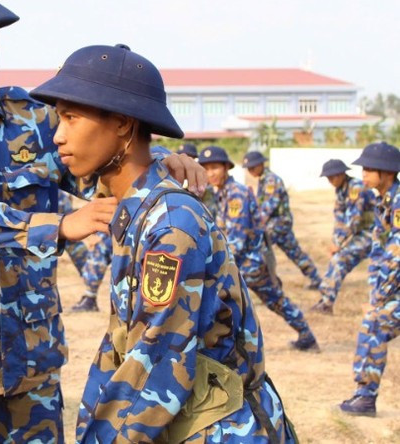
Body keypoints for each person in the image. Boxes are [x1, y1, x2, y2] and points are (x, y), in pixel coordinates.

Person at [0, 2, 206, 441]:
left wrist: (158, 158)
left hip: (31, 362)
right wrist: (56, 227)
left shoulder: (31, 117)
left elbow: (97, 155)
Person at [30, 44, 295, 443]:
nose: (58, 136)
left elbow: (157, 365)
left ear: (123, 124)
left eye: (71, 117)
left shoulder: (169, 225)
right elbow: (125, 347)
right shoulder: (137, 208)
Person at [199, 146, 319, 351]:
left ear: (226, 168)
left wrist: (211, 263)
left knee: (264, 301)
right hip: (244, 262)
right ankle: (306, 335)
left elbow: (236, 241)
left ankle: (304, 336)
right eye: (206, 169)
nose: (211, 173)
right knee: (273, 301)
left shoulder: (236, 194)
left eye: (215, 167)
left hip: (249, 264)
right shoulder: (222, 193)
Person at [339, 142, 400, 417]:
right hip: (391, 289)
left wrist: (379, 300)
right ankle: (364, 395)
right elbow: (379, 254)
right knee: (372, 324)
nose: (363, 173)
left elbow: (396, 257)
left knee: (374, 324)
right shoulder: (384, 201)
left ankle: (365, 397)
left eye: (369, 169)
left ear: (387, 172)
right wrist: (376, 295)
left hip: (393, 288)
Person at [243, 151, 323, 289]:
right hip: (278, 223)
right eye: (248, 168)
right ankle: (315, 279)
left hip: (277, 223)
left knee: (258, 248)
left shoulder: (271, 180)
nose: (250, 171)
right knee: (295, 252)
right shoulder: (264, 179)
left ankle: (270, 280)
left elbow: (268, 206)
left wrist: (255, 223)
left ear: (261, 164)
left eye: (253, 167)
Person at [311, 159, 376, 314]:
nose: (330, 181)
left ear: (341, 174)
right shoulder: (341, 190)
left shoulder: (356, 188)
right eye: (328, 178)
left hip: (372, 234)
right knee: (337, 260)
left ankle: (326, 303)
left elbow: (353, 220)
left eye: (332, 177)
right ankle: (325, 301)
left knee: (340, 260)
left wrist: (339, 244)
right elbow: (339, 221)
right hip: (360, 234)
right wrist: (336, 242)